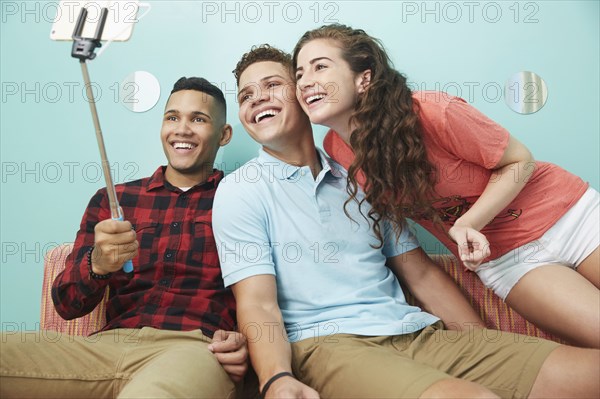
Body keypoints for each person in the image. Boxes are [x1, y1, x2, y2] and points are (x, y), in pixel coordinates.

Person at [212, 44, 599, 399]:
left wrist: (485, 346)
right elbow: (258, 305)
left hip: (415, 331)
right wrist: (276, 378)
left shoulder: (360, 172)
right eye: (246, 95)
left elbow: (422, 276)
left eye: (273, 85)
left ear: (302, 96)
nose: (257, 98)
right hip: (331, 344)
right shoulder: (240, 190)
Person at [293, 24, 600, 348]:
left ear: (363, 78)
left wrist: (469, 222)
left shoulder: (433, 111)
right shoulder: (336, 152)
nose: (306, 81)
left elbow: (520, 161)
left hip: (570, 217)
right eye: (299, 74)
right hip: (507, 260)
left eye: (320, 66)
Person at [0, 77, 250, 399]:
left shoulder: (243, 199)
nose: (182, 129)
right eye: (172, 117)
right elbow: (66, 304)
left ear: (224, 134)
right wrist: (98, 264)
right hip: (104, 347)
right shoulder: (115, 200)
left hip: (192, 351)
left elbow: (264, 297)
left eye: (198, 119)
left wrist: (246, 340)